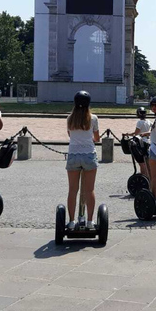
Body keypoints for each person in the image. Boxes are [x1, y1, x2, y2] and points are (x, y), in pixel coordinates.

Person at [65, 91, 100, 230]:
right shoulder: (93, 118)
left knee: (72, 190)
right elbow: (96, 138)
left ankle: (72, 221)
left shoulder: (70, 118)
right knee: (89, 189)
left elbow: (70, 135)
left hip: (73, 155)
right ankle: (90, 221)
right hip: (88, 155)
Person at [125, 107, 152, 179]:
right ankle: (147, 176)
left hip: (141, 142)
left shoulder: (139, 122)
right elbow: (152, 131)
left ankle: (144, 177)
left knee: (141, 162)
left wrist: (128, 134)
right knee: (146, 161)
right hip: (148, 142)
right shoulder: (149, 121)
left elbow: (136, 133)